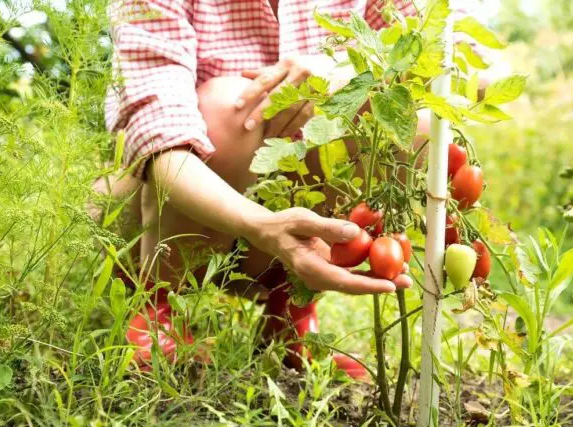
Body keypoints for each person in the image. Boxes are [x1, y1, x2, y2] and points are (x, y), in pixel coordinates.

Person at [99, 0, 425, 378]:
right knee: (232, 109)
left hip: (279, 233)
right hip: (164, 211)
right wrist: (262, 226)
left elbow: (456, 58)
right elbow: (161, 143)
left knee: (402, 119)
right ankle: (157, 306)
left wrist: (342, 72)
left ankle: (290, 311)